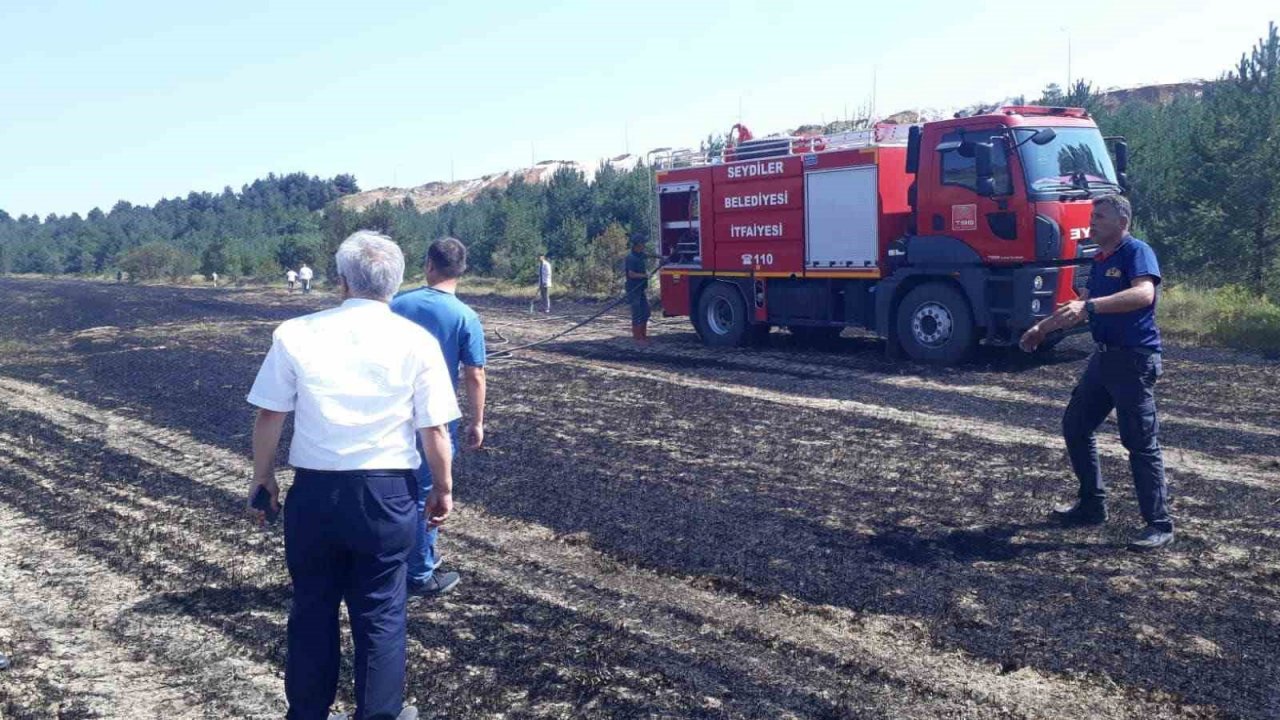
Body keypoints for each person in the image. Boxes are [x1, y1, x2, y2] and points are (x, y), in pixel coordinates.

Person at [246, 230, 459, 719]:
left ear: (341, 282)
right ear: (396, 283)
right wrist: (443, 489)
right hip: (387, 496)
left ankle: (307, 714)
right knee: (381, 613)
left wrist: (264, 478)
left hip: (316, 493)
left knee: (312, 609)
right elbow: (436, 431)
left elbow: (269, 417)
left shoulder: (295, 333)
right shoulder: (418, 342)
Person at [1019, 194, 1173, 551]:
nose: (1092, 221)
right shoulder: (1099, 260)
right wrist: (1042, 328)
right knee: (1076, 425)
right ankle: (1092, 504)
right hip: (1103, 360)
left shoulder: (1136, 252)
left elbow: (1143, 295)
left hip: (1134, 360)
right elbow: (1078, 308)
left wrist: (1089, 304)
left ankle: (1159, 524)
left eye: (1100, 216)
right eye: (1093, 215)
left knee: (1140, 442)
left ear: (1122, 221)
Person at [390, 237, 487, 598]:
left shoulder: (398, 304)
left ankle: (402, 557)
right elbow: (474, 374)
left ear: (429, 265)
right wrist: (477, 422)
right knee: (425, 495)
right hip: (433, 417)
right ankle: (419, 573)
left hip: (392, 411)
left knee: (393, 488)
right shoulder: (466, 316)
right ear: (461, 270)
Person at [625, 239, 651, 344]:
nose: (644, 245)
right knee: (637, 312)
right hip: (633, 289)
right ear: (637, 245)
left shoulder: (640, 255)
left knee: (646, 311)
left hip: (640, 289)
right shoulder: (631, 258)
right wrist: (644, 276)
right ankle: (637, 337)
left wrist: (662, 257)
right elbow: (631, 274)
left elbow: (649, 255)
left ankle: (643, 335)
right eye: (643, 243)